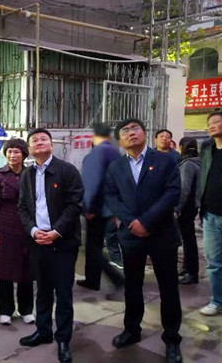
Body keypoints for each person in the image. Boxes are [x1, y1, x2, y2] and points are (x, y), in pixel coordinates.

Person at [105, 118, 182, 363]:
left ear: (144, 133)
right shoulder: (115, 167)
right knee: (132, 286)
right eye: (125, 131)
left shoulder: (165, 160)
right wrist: (132, 223)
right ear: (120, 141)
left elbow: (172, 193)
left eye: (135, 128)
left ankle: (172, 339)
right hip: (131, 236)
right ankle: (131, 329)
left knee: (168, 288)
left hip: (162, 234)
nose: (131, 133)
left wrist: (146, 222)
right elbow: (112, 197)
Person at [18, 128, 83, 363]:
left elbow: (75, 204)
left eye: (43, 139)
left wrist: (56, 232)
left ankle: (63, 339)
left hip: (63, 242)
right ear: (29, 148)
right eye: (34, 140)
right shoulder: (26, 174)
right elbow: (22, 207)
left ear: (51, 144)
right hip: (38, 241)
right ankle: (43, 331)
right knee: (43, 289)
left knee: (63, 293)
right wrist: (33, 231)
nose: (39, 142)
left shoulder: (67, 170)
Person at [0, 138, 34, 325]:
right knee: (5, 272)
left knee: (26, 272)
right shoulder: (0, 174)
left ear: (23, 154)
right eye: (9, 151)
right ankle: (6, 310)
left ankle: (26, 310)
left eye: (16, 152)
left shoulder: (30, 174)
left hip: (26, 226)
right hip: (5, 226)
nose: (12, 155)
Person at [77, 123, 124, 296]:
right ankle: (92, 280)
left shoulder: (98, 152)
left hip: (96, 208)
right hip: (108, 207)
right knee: (94, 245)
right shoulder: (115, 152)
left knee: (93, 248)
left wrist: (88, 207)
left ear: (94, 136)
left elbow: (92, 181)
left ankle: (117, 280)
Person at [196, 111, 222, 316]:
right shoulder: (207, 150)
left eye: (216, 122)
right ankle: (219, 301)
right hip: (210, 215)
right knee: (214, 263)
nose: (211, 126)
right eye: (209, 123)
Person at [175, 137, 201, 285]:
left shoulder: (188, 164)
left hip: (186, 206)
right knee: (188, 238)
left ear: (181, 147)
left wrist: (177, 208)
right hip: (193, 205)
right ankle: (186, 267)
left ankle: (191, 272)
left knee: (188, 239)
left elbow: (184, 188)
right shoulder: (199, 161)